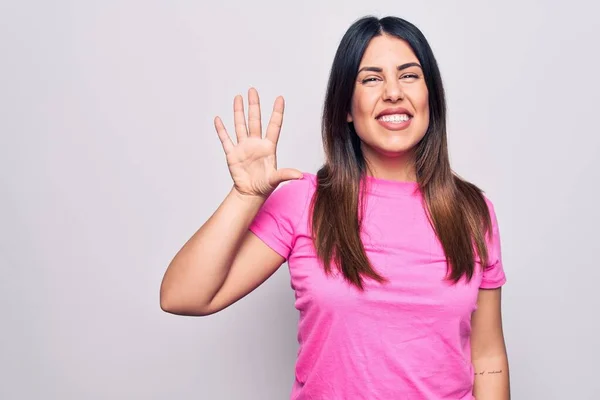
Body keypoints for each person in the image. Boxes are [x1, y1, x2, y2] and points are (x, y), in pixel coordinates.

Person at [160, 15, 510, 400]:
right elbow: (183, 296)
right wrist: (245, 197)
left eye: (409, 76)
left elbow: (488, 355)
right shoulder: (304, 202)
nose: (393, 92)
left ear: (431, 97)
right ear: (346, 106)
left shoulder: (473, 212)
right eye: (371, 79)